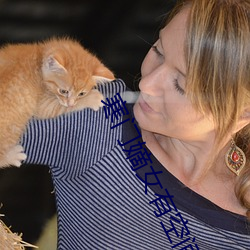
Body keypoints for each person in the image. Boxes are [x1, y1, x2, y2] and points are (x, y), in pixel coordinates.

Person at [21, 0, 250, 249]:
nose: (147, 84)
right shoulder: (97, 118)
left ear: (243, 112)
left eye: (181, 85)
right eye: (158, 51)